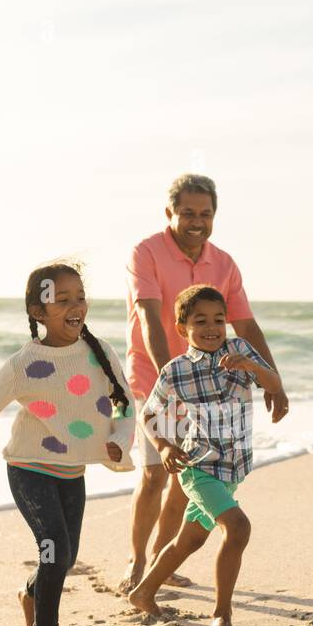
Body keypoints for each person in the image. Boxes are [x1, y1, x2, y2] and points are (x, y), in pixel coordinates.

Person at [0, 263, 134, 626]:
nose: (75, 305)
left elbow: (125, 401)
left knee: (65, 557)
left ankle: (30, 594)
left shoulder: (101, 352)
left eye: (79, 296)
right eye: (62, 300)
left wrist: (118, 439)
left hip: (72, 472)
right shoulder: (22, 366)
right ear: (37, 312)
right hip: (29, 470)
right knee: (54, 549)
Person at [119, 174, 288, 594]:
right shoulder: (147, 252)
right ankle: (137, 561)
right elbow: (148, 317)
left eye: (205, 214)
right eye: (188, 213)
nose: (197, 221)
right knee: (157, 473)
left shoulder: (224, 263)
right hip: (156, 376)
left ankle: (163, 557)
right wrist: (170, 377)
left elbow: (245, 323)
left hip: (211, 388)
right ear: (170, 214)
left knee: (187, 477)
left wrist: (273, 379)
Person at [128, 285, 282, 626]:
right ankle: (221, 614)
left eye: (219, 320)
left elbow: (273, 382)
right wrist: (164, 446)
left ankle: (143, 592)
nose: (212, 328)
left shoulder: (240, 350)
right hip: (198, 467)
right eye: (201, 321)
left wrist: (250, 365)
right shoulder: (174, 371)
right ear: (182, 328)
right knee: (238, 528)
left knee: (189, 540)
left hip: (233, 467)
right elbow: (149, 413)